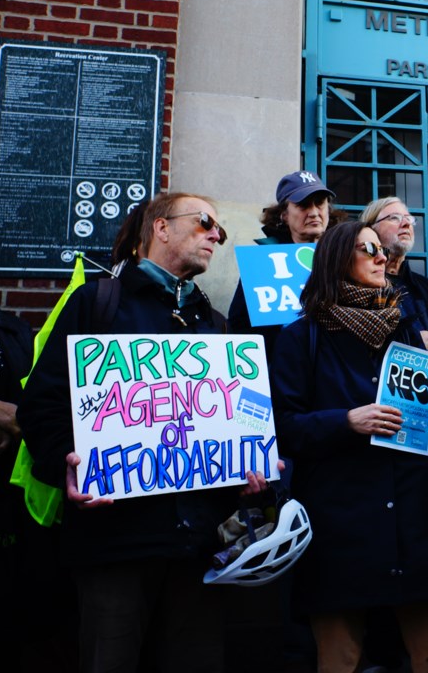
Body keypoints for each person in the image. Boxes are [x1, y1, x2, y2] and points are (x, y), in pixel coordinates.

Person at [20, 192, 273, 672]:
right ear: (160, 228)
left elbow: (235, 422)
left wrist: (250, 470)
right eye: (204, 222)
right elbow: (42, 407)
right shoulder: (97, 304)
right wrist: (66, 467)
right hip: (113, 544)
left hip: (199, 546)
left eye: (217, 228)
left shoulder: (214, 325)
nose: (216, 235)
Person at [270, 220, 428, 673]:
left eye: (381, 248)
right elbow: (282, 427)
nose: (383, 257)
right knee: (341, 659)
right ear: (336, 260)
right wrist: (345, 421)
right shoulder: (299, 338)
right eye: (368, 249)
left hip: (413, 525)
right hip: (339, 529)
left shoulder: (405, 334)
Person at [0, 208, 63, 671]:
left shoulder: (3, 321)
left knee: (1, 595)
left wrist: (8, 429)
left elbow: (29, 390)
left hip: (1, 482)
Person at [229, 170, 347, 345]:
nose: (314, 212)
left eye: (320, 203)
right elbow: (240, 327)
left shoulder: (345, 258)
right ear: (284, 214)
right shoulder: (262, 263)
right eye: (304, 205)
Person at [362, 197, 428, 350]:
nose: (406, 224)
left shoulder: (426, 287)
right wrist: (415, 340)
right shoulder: (360, 284)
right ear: (372, 229)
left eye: (409, 219)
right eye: (394, 218)